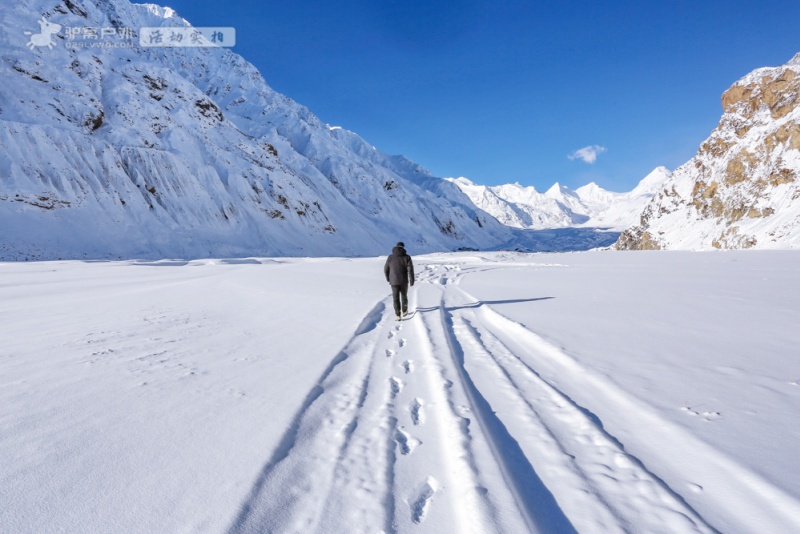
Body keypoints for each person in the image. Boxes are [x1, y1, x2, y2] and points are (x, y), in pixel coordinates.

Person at [384, 241, 414, 320]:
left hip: (393, 281)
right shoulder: (407, 257)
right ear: (403, 248)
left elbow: (386, 269)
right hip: (404, 281)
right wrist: (412, 281)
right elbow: (410, 270)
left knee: (395, 298)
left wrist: (388, 279)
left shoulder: (390, 257)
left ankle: (398, 315)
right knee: (404, 296)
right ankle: (404, 311)